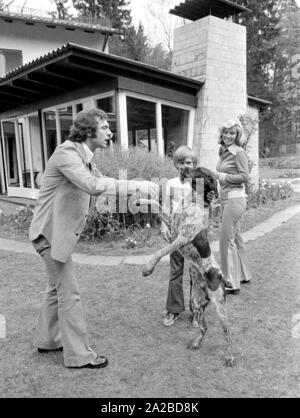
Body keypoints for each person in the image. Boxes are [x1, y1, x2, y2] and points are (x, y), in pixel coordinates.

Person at [29, 108, 158, 369]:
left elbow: (101, 182)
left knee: (56, 288)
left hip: (55, 233)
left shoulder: (84, 156)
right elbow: (92, 185)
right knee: (70, 293)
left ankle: (47, 340)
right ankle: (79, 356)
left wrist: (138, 190)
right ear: (88, 130)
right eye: (104, 127)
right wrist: (138, 185)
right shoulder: (67, 153)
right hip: (49, 234)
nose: (110, 132)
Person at [160, 145, 198, 326]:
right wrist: (163, 224)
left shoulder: (199, 183)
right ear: (176, 165)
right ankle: (173, 310)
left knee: (195, 272)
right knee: (175, 271)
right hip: (176, 229)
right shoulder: (171, 184)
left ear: (194, 164)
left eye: (189, 162)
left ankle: (197, 311)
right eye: (181, 162)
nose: (185, 166)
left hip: (194, 230)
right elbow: (167, 206)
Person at [214, 118, 252, 295]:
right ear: (222, 134)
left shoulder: (239, 152)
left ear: (237, 135)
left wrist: (221, 177)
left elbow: (244, 176)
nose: (228, 136)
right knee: (236, 237)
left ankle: (230, 283)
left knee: (225, 240)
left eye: (232, 133)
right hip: (227, 199)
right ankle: (244, 275)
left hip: (235, 199)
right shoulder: (223, 151)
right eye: (226, 132)